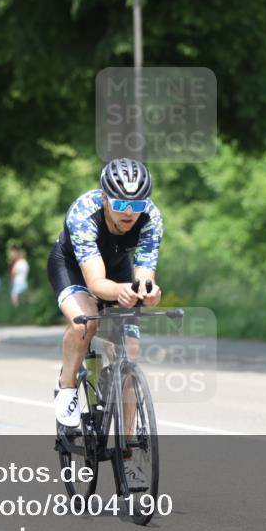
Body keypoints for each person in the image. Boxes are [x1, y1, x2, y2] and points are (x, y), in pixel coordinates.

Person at [46, 158, 163, 490]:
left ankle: (128, 451)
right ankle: (66, 386)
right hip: (73, 267)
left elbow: (143, 273)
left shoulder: (152, 218)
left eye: (137, 204)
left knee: (129, 350)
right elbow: (96, 283)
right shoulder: (84, 214)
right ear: (104, 197)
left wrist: (146, 291)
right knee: (86, 324)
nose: (130, 212)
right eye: (121, 203)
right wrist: (120, 292)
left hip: (117, 269)